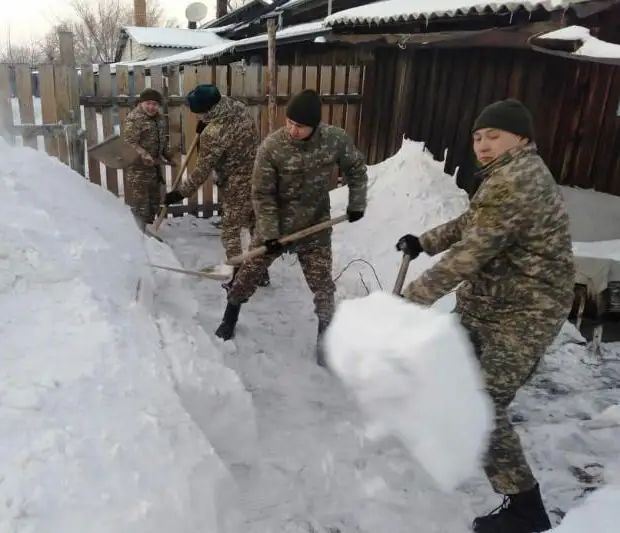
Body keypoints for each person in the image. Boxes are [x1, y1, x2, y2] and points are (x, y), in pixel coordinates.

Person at [396, 98, 575, 533]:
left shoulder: (518, 180)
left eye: (494, 136)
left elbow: (471, 254)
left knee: (483, 404)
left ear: (523, 139)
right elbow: (473, 223)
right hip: (488, 303)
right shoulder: (504, 176)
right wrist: (425, 240)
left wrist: (408, 301)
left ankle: (525, 508)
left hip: (524, 311)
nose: (483, 145)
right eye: (478, 137)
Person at [214, 89, 368, 367]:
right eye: (289, 123)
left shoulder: (335, 140)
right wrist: (271, 234)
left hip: (315, 226)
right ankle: (230, 316)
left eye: (300, 126)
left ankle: (326, 340)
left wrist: (357, 202)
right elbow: (261, 194)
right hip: (275, 225)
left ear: (315, 125)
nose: (293, 130)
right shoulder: (272, 147)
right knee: (247, 275)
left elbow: (356, 168)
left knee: (323, 287)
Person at [161, 83, 270, 289]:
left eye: (200, 114)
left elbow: (202, 170)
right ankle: (261, 272)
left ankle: (240, 278)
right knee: (256, 224)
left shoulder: (214, 133)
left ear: (206, 110)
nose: (198, 117)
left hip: (238, 182)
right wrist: (206, 124)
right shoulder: (236, 106)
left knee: (231, 230)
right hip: (260, 173)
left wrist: (179, 193)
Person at [121, 88, 175, 230]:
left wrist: (168, 154)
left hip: (154, 169)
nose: (152, 107)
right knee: (141, 203)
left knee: (154, 201)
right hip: (138, 170)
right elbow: (129, 142)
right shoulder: (134, 119)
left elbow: (162, 139)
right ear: (141, 103)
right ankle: (140, 233)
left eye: (155, 104)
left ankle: (149, 231)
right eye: (148, 103)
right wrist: (144, 154)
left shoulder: (160, 119)